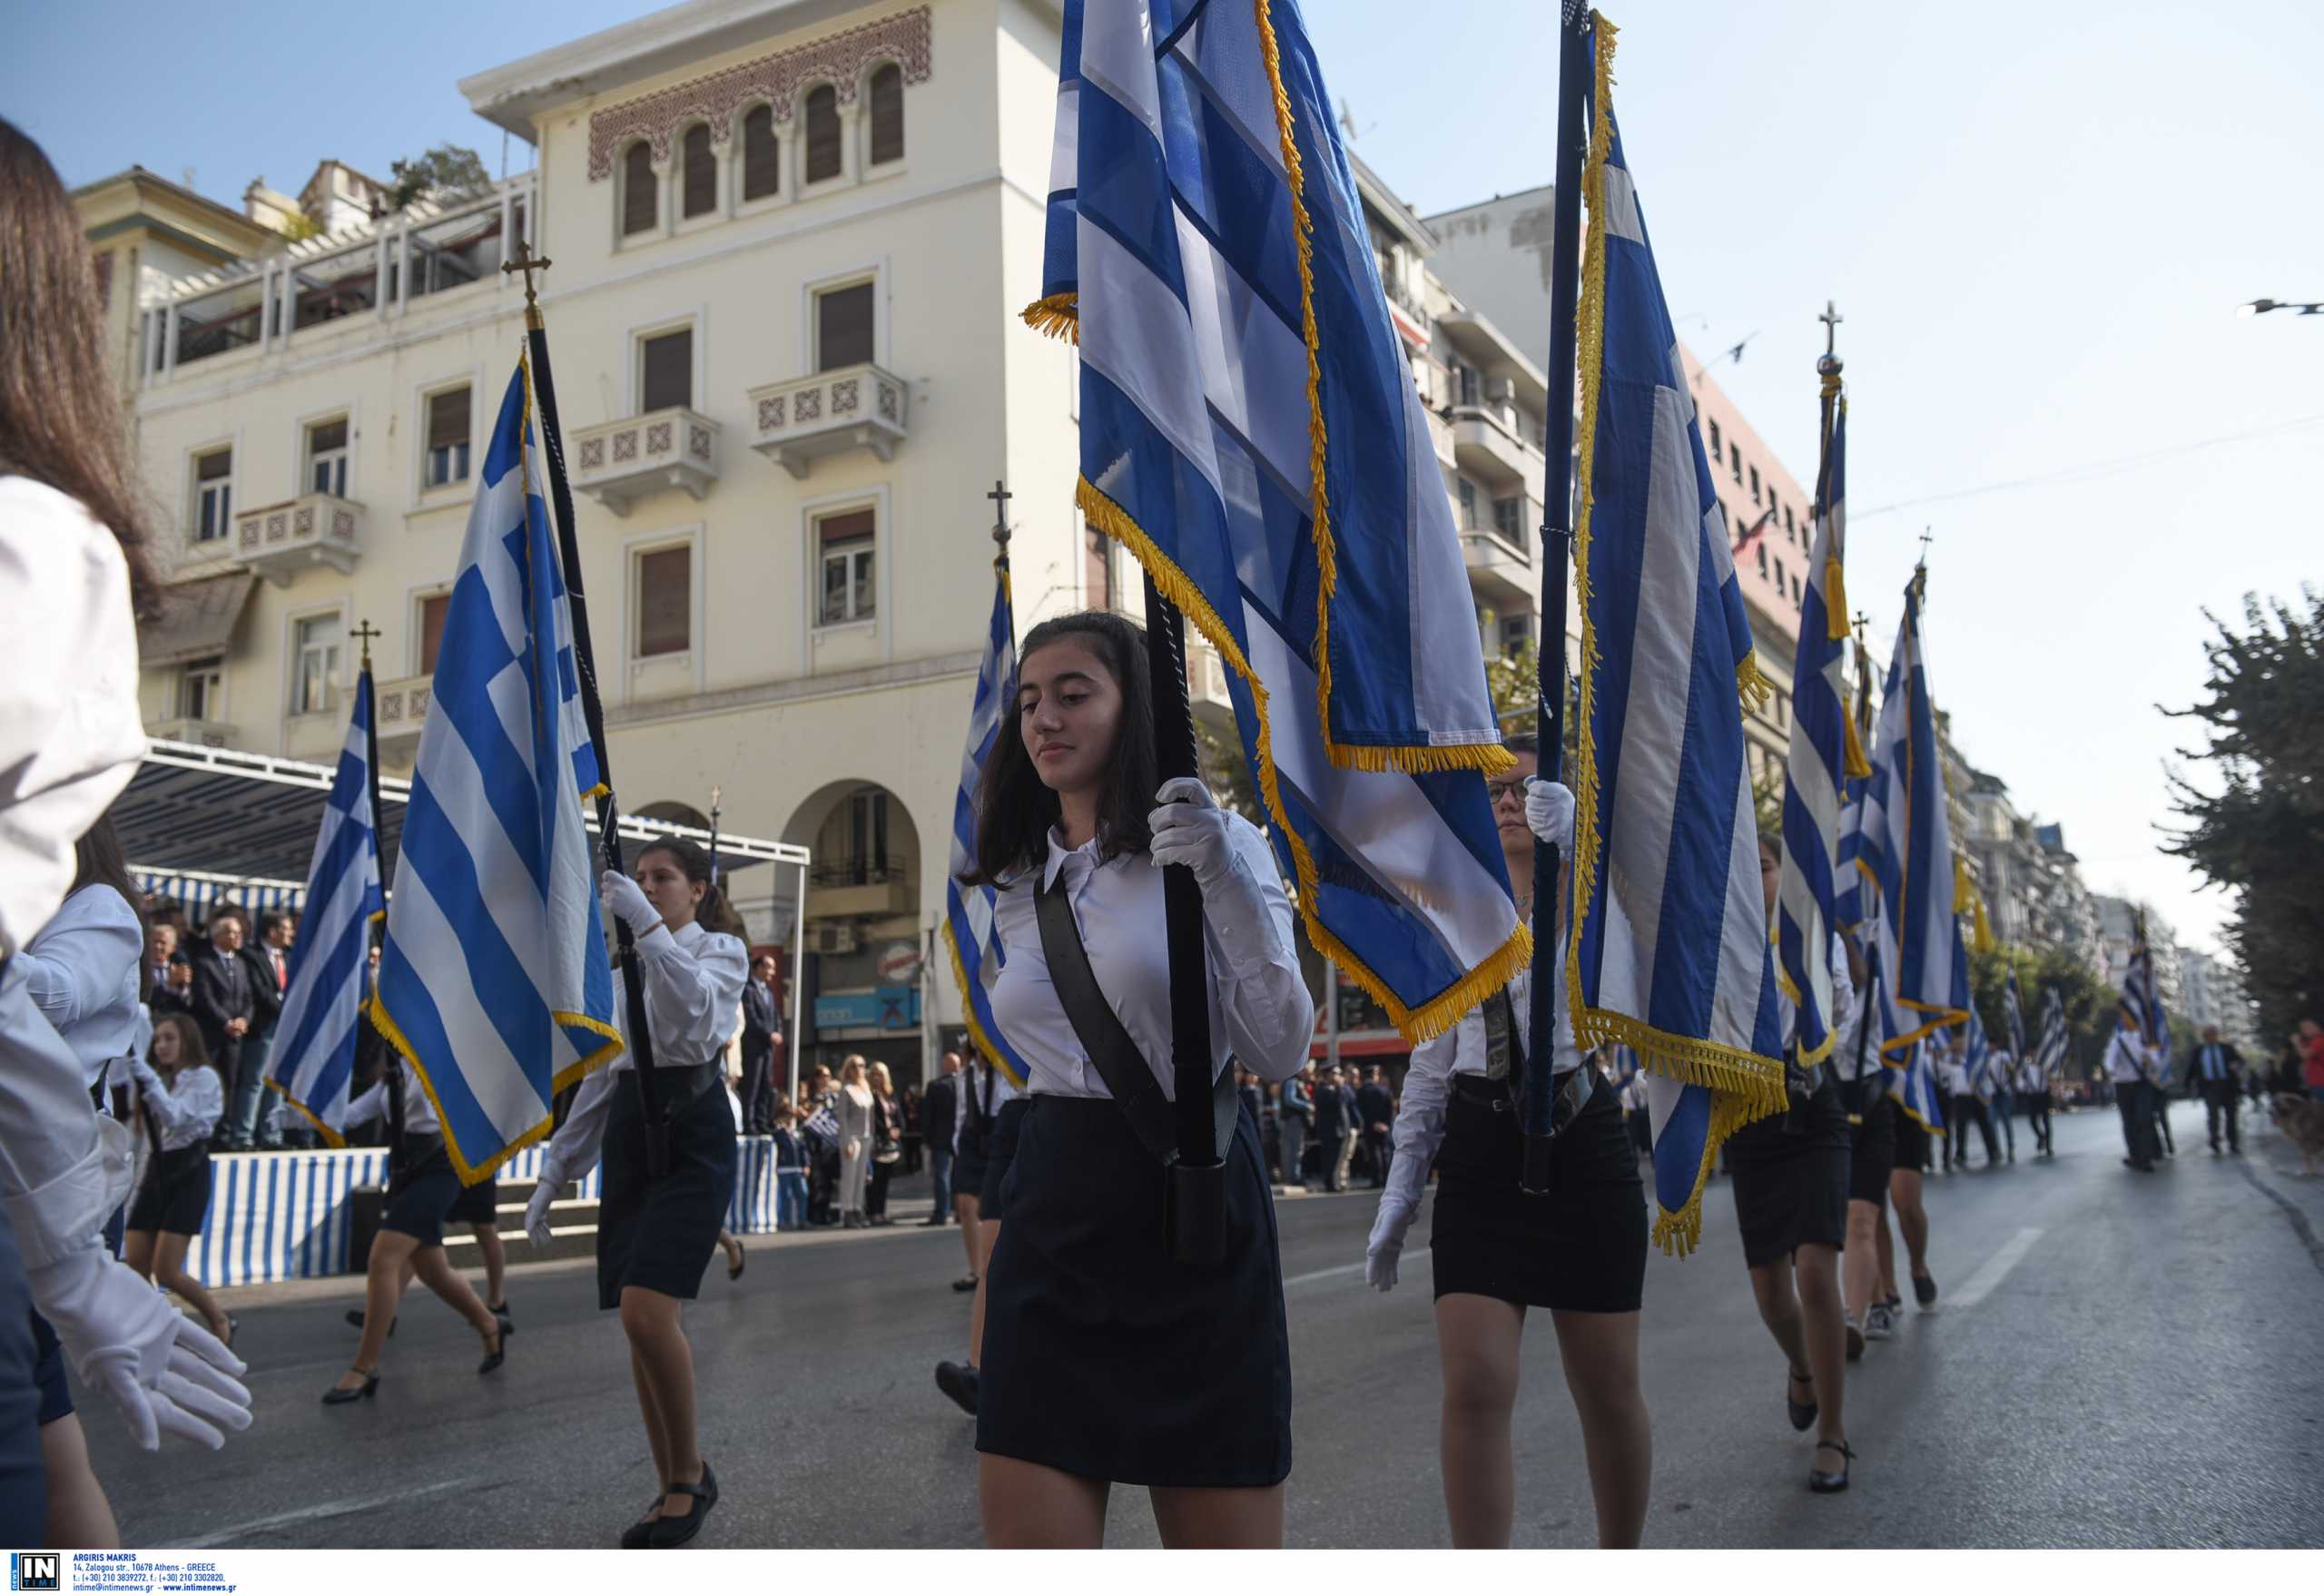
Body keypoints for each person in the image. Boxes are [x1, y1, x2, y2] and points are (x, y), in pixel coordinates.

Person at [1, 115, 254, 1545]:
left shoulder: (31, 540)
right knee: (62, 1506)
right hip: (52, 1196)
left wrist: (75, 1262)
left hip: (84, 1175)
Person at [965, 610, 1311, 1549]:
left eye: (1075, 694)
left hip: (1189, 1202)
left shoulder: (1220, 841)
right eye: (1030, 701)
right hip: (1055, 1214)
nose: (1044, 719)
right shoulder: (1017, 879)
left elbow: (1280, 1048)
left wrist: (1221, 881)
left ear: (1133, 709)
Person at [1365, 745, 1651, 1546]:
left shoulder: (1598, 903)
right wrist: (1400, 1191)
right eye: (1494, 788)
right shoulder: (1452, 907)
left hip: (1583, 1141)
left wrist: (1578, 866)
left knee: (1606, 1386)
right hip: (1480, 1151)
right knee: (1477, 1384)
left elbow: (1632, 993)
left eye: (1526, 786)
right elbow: (1430, 1061)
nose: (1509, 800)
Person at [526, 836, 745, 1548]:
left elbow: (694, 1019)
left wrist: (648, 931)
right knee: (634, 1317)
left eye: (663, 878)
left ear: (699, 890)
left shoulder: (719, 951)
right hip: (630, 1129)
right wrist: (557, 1171)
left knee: (650, 1310)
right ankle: (672, 1479)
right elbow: (601, 1076)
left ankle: (689, 1479)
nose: (648, 888)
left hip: (691, 1130)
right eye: (640, 879)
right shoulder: (622, 974)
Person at [19, 816, 147, 1546]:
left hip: (43, 1190)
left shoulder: (98, 907)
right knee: (37, 1410)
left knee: (37, 1408)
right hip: (34, 1182)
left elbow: (58, 994)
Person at [1719, 832, 1856, 1493]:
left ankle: (1832, 1432)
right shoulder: (1720, 940)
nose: (1758, 878)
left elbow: (1843, 1011)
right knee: (1773, 1292)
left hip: (1812, 1108)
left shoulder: (1811, 937)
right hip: (1751, 1118)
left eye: (1767, 866)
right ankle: (1801, 1365)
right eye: (1748, 869)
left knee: (1816, 1273)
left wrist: (1810, 1025)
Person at [324, 1043, 513, 1406]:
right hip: (404, 1169)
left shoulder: (447, 1055)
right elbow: (353, 1114)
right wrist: (305, 1115)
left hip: (441, 1165)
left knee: (384, 1258)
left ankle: (364, 1367)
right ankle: (490, 1324)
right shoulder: (394, 1070)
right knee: (432, 1270)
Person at [1831, 935, 1891, 1359]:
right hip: (1825, 1107)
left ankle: (1853, 1316)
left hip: (1872, 1105)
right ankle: (1875, 1298)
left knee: (1861, 1217)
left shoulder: (1880, 990)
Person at [232, 911, 292, 1150]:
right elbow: (260, 991)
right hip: (264, 1028)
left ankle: (271, 1134)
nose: (291, 933)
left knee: (276, 1083)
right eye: (287, 928)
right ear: (273, 931)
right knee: (255, 1081)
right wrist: (286, 1007)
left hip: (283, 1029)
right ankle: (243, 1135)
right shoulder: (252, 955)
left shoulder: (289, 955)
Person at [2107, 1013, 2161, 1172]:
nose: (2125, 1022)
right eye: (2124, 1019)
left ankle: (2146, 1158)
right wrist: (2111, 1070)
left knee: (2144, 1120)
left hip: (2141, 1084)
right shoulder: (2117, 1040)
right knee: (2129, 1122)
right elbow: (2110, 1060)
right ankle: (2134, 1155)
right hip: (2123, 1085)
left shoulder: (2145, 1040)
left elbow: (2156, 1062)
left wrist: (2148, 1060)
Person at [2181, 1025, 2245, 1156]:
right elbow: (2192, 1068)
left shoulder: (2226, 1048)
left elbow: (2240, 1061)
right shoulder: (2198, 1051)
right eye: (2209, 1035)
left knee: (2231, 1116)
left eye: (2214, 1034)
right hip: (2209, 1086)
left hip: (2227, 1085)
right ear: (2204, 1037)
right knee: (2213, 1116)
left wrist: (2236, 1065)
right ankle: (2214, 1140)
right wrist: (2186, 1083)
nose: (2212, 1037)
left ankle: (2233, 1143)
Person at [739, 954, 781, 1134]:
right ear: (757, 968)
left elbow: (776, 1017)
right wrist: (768, 1034)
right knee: (752, 1085)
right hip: (754, 1046)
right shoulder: (748, 990)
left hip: (767, 1049)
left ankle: (761, 1121)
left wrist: (778, 1032)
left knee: (765, 1085)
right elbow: (751, 1019)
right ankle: (749, 1124)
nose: (772, 972)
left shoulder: (768, 992)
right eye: (768, 967)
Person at [833, 1057, 876, 1228]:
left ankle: (858, 1209)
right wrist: (846, 1141)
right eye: (854, 1066)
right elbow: (841, 1117)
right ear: (848, 1069)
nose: (858, 1069)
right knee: (849, 1177)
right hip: (851, 1137)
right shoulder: (847, 1090)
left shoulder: (865, 1089)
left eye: (861, 1065)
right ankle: (848, 1211)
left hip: (866, 1137)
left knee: (861, 1177)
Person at [921, 1053, 960, 1225]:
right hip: (962, 1138)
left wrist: (926, 1139)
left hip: (940, 1139)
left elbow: (927, 1116)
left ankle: (942, 1213)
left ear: (944, 1066)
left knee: (942, 1176)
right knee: (959, 1177)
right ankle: (960, 1212)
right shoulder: (966, 1083)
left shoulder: (935, 1086)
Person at [865, 1060, 901, 1226]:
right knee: (875, 1180)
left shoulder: (891, 1094)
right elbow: (873, 1120)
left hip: (891, 1145)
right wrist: (887, 1132)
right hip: (877, 1143)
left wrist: (898, 1129)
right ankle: (874, 1213)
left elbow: (899, 1115)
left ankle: (882, 1212)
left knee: (885, 1180)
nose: (877, 1078)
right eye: (874, 1074)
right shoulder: (868, 1095)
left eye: (880, 1074)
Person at [1355, 1066, 1395, 1190]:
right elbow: (1390, 1109)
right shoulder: (1384, 1090)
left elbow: (1361, 1110)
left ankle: (1376, 1179)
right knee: (1385, 1152)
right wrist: (1387, 1124)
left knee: (1374, 1153)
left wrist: (1373, 1123)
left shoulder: (1361, 1091)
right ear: (1375, 1075)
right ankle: (1386, 1179)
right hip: (1384, 1127)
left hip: (1370, 1126)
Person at [1313, 1063, 1351, 1194]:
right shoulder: (1322, 1089)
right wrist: (1339, 1087)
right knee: (1330, 1159)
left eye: (1339, 1074)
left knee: (1339, 1158)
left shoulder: (1338, 1089)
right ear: (1327, 1075)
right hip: (1330, 1130)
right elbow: (1335, 1103)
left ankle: (1336, 1182)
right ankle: (1330, 1183)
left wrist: (1341, 1087)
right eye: (1335, 1074)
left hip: (1341, 1129)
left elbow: (1350, 1099)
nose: (1337, 1077)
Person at [770, 1104, 808, 1231]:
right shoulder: (778, 1133)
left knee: (802, 1193)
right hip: (784, 1168)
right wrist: (781, 1127)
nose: (790, 1120)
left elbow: (803, 1150)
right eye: (787, 1117)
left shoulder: (796, 1133)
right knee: (785, 1195)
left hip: (797, 1168)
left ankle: (802, 1220)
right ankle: (785, 1221)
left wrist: (806, 1164)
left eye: (791, 1117)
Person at [1276, 1067, 1312, 1190]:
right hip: (1293, 1120)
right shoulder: (1292, 1081)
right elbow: (1290, 1099)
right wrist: (1307, 1105)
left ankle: (1291, 1175)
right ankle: (1294, 1176)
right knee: (1294, 1149)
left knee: (1291, 1149)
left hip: (1290, 1120)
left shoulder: (1290, 1081)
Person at [1985, 1041, 2017, 1162]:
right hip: (1991, 1093)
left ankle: (2010, 1148)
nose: (1990, 1046)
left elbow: (2011, 1070)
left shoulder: (2003, 1056)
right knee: (1992, 1123)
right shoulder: (1985, 1057)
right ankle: (1997, 1149)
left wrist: (2008, 1083)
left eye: (1991, 1044)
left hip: (2003, 1091)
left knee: (2006, 1122)